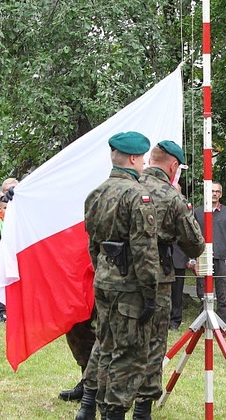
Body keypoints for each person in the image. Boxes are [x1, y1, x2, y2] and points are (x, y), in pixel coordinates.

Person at [80, 131, 158, 420]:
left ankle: (88, 406)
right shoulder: (138, 196)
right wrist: (150, 293)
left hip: (104, 280)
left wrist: (103, 270)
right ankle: (113, 413)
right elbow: (144, 250)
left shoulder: (96, 193)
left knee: (105, 343)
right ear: (134, 158)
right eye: (143, 158)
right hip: (130, 286)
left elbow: (92, 245)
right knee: (128, 354)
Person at [128, 140, 204, 418]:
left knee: (113, 339)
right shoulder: (171, 196)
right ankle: (142, 410)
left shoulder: (125, 186)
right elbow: (195, 245)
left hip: (119, 274)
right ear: (174, 167)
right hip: (156, 277)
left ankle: (93, 402)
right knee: (152, 343)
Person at [193, 181, 226, 326]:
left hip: (222, 257)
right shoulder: (198, 212)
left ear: (221, 194)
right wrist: (193, 259)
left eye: (217, 191)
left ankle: (222, 323)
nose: (214, 194)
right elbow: (193, 237)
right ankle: (203, 323)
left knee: (222, 291)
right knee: (202, 290)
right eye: (212, 191)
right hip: (203, 256)